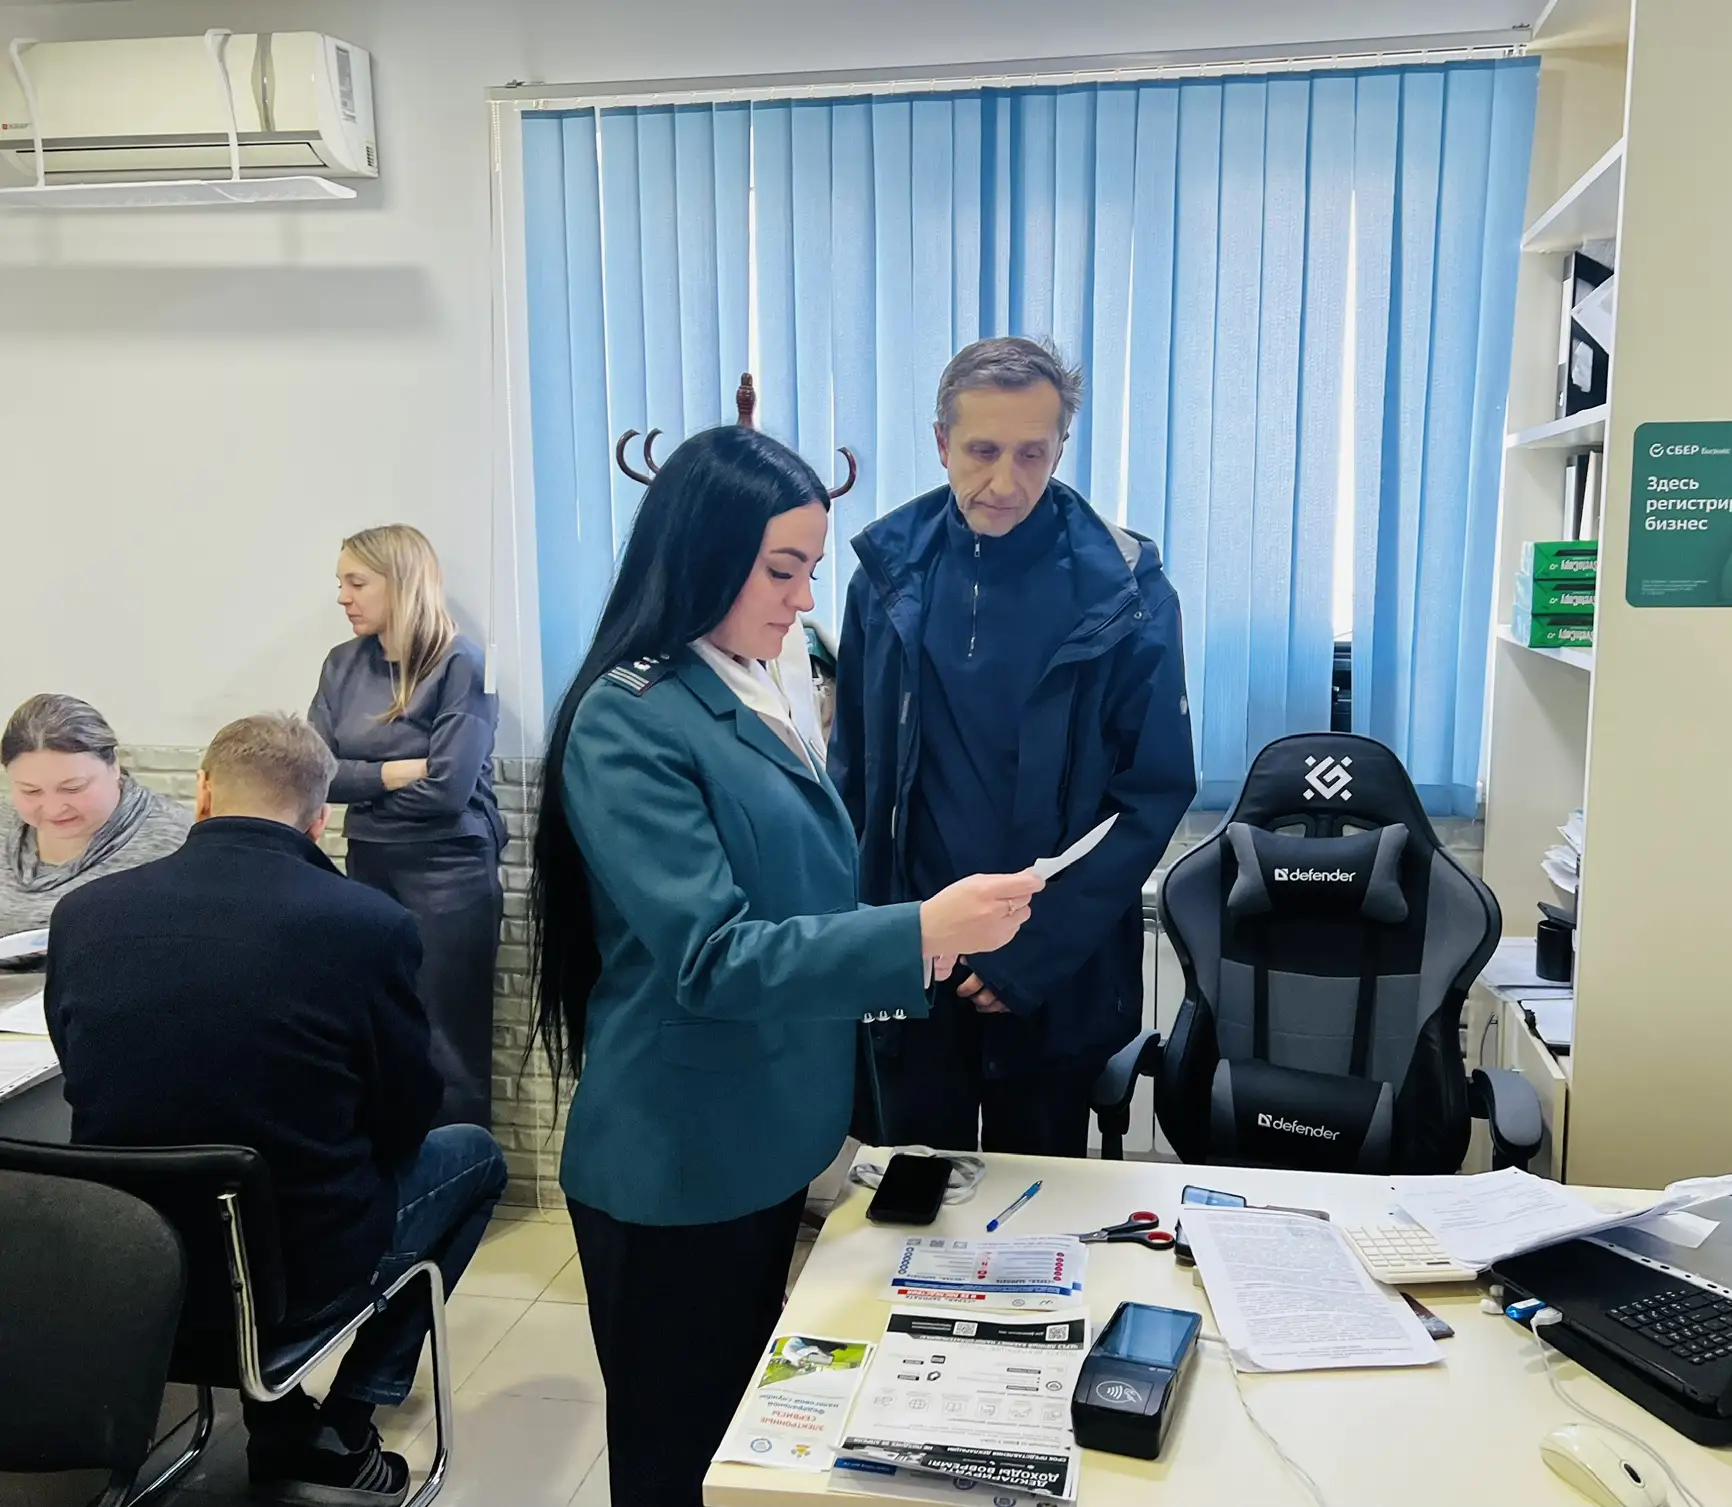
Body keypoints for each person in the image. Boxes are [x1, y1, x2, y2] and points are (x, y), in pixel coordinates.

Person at [528, 425, 1045, 1507]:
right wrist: (915, 931)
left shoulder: (762, 681)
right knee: (678, 1461)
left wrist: (929, 934)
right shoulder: (631, 718)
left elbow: (798, 899)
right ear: (700, 554)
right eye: (782, 569)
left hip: (764, 1134)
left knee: (745, 1442)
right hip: (680, 1157)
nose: (806, 598)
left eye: (810, 568)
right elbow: (712, 954)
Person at [44, 713, 507, 1507]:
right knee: (476, 1158)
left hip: (128, 1262)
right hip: (299, 1272)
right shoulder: (368, 924)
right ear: (319, 819)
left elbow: (79, 1064)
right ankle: (346, 1419)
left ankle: (284, 1416)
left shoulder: (84, 913)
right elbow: (406, 1114)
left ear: (203, 792)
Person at [831, 336, 1198, 1157]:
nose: (1005, 481)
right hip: (914, 953)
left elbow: (1153, 793)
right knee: (914, 1197)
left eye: (1032, 453)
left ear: (1060, 447)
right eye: (982, 451)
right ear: (941, 443)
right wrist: (867, 939)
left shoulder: (1128, 590)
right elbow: (852, 779)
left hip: (1053, 971)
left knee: (1038, 1203)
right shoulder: (885, 577)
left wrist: (1031, 955)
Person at [310, 524, 507, 1128]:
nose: (342, 597)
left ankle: (462, 1170)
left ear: (402, 583)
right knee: (377, 1025)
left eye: (356, 582)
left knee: (447, 1041)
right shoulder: (342, 663)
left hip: (448, 870)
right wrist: (395, 772)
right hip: (367, 865)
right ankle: (397, 1170)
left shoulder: (462, 664)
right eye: (340, 582)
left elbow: (448, 792)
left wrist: (361, 786)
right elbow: (315, 775)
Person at [1, 693, 190, 935]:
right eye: (31, 791)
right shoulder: (5, 822)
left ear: (114, 765)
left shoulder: (178, 841)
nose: (54, 808)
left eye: (73, 788)